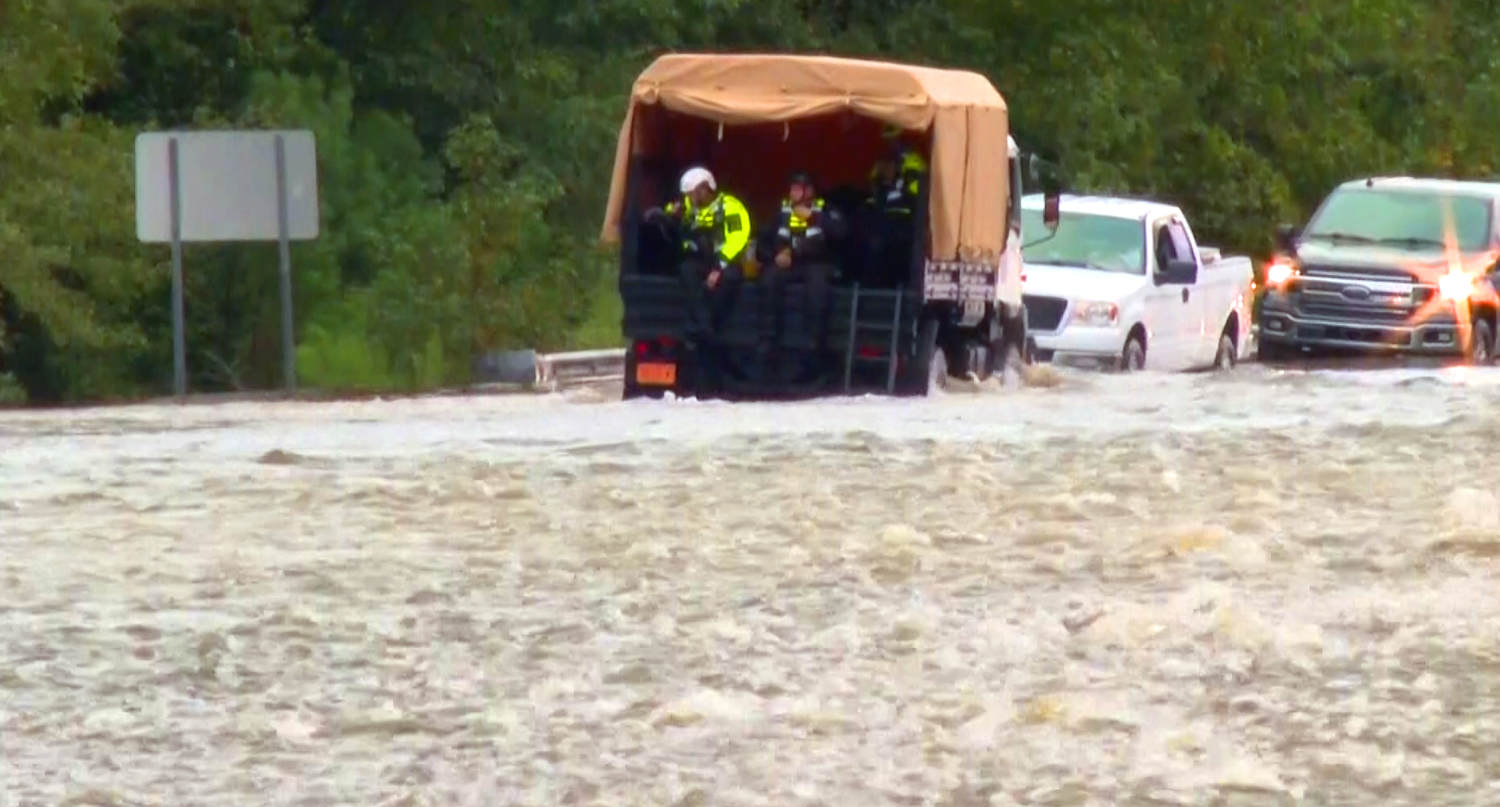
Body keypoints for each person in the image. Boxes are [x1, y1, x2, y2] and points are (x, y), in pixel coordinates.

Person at [668, 166, 752, 337]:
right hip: (701, 260)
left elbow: (737, 239)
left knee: (729, 279)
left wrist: (718, 268)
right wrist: (672, 212)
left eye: (693, 192)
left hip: (726, 260)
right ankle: (704, 324)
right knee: (687, 270)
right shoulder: (689, 205)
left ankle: (714, 324)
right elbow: (670, 209)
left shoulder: (730, 207)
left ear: (705, 188)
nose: (689, 197)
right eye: (688, 194)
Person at [764, 171, 837, 357]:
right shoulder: (782, 212)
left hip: (816, 263)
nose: (793, 193)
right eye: (792, 189)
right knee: (769, 277)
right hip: (788, 264)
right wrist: (776, 255)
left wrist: (813, 218)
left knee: (818, 287)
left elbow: (841, 233)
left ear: (810, 191)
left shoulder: (824, 210)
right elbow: (764, 242)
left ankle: (814, 344)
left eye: (798, 189)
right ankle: (768, 340)